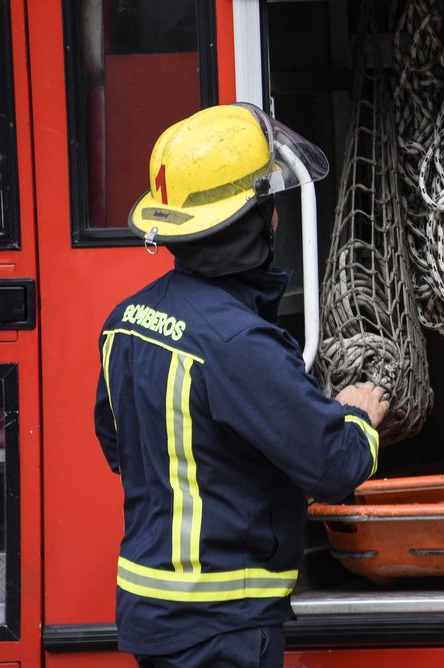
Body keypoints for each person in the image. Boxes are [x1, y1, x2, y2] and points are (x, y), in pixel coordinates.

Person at [93, 103, 389, 667]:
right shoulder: (238, 344)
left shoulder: (125, 321)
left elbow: (121, 446)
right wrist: (357, 416)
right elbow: (333, 465)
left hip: (155, 615)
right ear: (258, 220)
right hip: (220, 628)